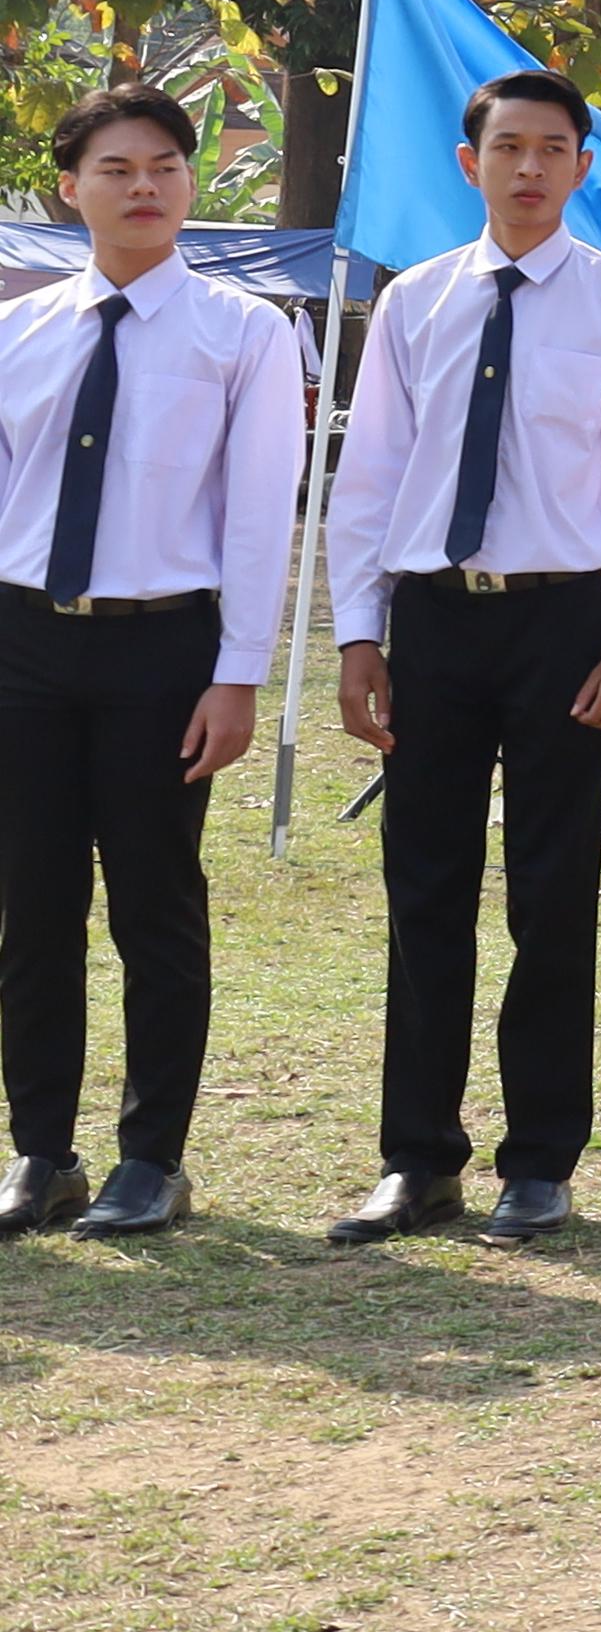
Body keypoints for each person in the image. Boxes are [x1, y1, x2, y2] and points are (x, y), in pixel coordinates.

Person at [320, 69, 601, 1249]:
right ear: (468, 160)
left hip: (561, 626)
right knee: (423, 891)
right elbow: (371, 472)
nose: (530, 168)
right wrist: (357, 631)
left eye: (554, 149)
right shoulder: (415, 303)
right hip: (432, 620)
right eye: (509, 147)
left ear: (583, 167)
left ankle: (540, 1161)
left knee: (553, 894)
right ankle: (417, 1157)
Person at [0, 89, 304, 1240]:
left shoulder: (244, 332)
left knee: (154, 903)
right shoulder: (19, 330)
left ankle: (151, 1156)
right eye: (118, 167)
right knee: (31, 902)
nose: (145, 186)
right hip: (24, 636)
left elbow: (259, 516)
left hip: (162, 646)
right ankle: (41, 1151)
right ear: (67, 186)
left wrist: (237, 673)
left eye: (167, 166)